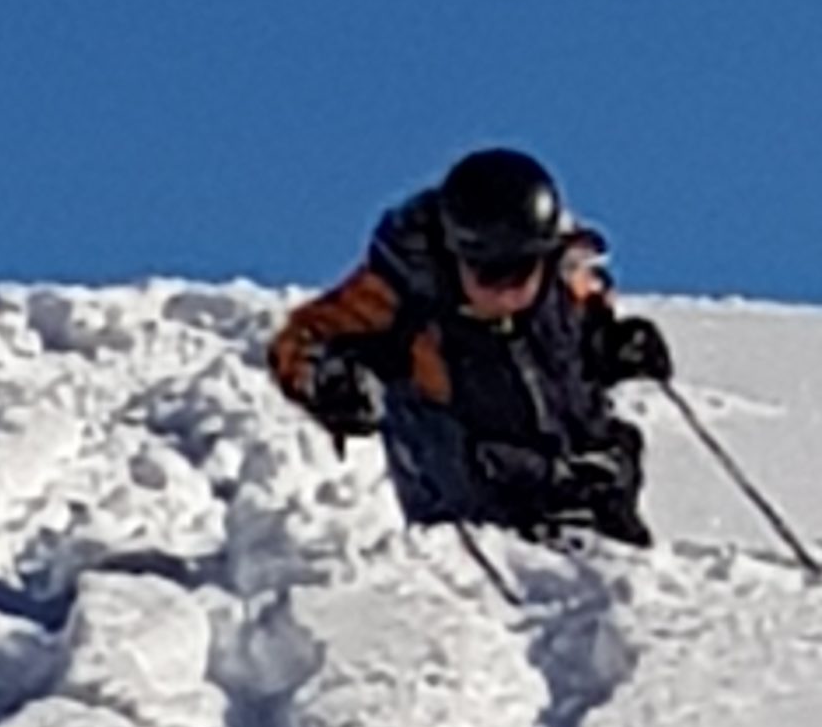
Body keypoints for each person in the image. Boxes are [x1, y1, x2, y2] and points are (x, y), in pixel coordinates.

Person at [267, 147, 673, 546]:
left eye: (519, 274)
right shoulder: (402, 290)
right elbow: (302, 341)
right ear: (455, 255)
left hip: (582, 481)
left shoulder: (566, 280)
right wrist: (329, 381)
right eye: (488, 275)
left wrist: (613, 344)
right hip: (474, 493)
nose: (504, 292)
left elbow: (593, 317)